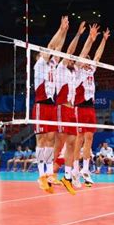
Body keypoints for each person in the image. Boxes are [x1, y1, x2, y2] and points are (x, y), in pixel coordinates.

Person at [53, 21, 94, 193]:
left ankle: (68, 176)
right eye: (70, 57)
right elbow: (70, 51)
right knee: (60, 142)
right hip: (62, 108)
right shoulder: (61, 68)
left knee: (71, 143)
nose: (72, 58)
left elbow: (83, 54)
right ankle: (50, 173)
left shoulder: (74, 71)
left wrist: (91, 40)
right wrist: (77, 33)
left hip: (71, 110)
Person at [32, 16, 69, 194]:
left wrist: (65, 32)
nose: (48, 55)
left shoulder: (52, 64)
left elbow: (58, 49)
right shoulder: (39, 64)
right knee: (41, 139)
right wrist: (60, 30)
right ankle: (40, 175)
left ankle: (48, 173)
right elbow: (51, 47)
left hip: (51, 105)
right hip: (40, 104)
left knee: (50, 139)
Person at [73, 27, 110, 186]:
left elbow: (97, 56)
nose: (88, 62)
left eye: (89, 61)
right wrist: (90, 38)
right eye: (85, 60)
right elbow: (84, 55)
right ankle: (74, 170)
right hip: (79, 107)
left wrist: (104, 40)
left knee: (89, 138)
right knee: (79, 139)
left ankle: (86, 169)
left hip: (90, 108)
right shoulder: (78, 71)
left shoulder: (91, 70)